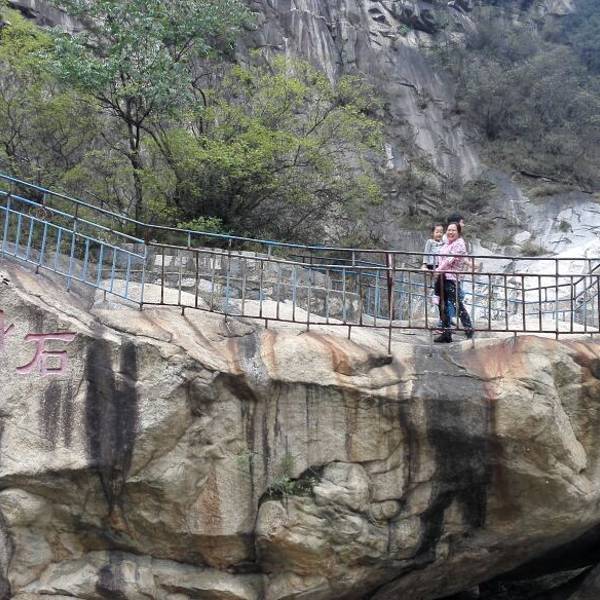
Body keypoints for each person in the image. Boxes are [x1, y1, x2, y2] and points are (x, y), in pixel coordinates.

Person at [433, 222, 474, 343]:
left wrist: (438, 270)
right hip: (443, 277)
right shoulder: (448, 243)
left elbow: (449, 260)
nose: (450, 232)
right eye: (449, 230)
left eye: (453, 230)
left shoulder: (459, 244)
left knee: (456, 304)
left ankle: (469, 329)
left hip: (451, 278)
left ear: (459, 232)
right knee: (443, 305)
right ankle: (446, 333)